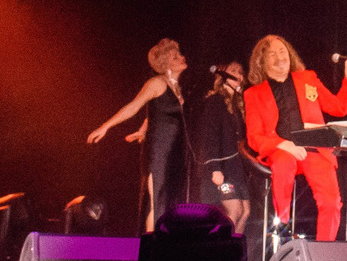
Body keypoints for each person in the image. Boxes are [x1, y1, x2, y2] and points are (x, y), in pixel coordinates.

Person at [242, 34, 347, 243]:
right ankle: (283, 231)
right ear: (262, 61)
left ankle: (324, 250)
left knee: (332, 202)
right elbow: (254, 137)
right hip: (282, 150)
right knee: (283, 166)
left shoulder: (307, 79)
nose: (280, 56)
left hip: (313, 149)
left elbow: (338, 108)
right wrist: (283, 144)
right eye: (272, 53)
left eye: (282, 51)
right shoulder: (254, 94)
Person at [84, 39, 189, 231]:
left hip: (174, 150)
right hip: (160, 151)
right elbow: (134, 106)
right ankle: (151, 247)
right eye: (175, 57)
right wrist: (105, 126)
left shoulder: (176, 88)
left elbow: (157, 112)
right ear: (165, 64)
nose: (182, 58)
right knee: (157, 198)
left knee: (168, 200)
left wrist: (142, 130)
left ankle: (161, 245)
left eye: (180, 54)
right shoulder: (157, 83)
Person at [194, 61, 251, 235]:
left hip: (236, 168)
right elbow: (209, 136)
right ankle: (219, 250)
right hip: (222, 167)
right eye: (233, 72)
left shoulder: (237, 104)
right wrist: (214, 168)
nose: (238, 76)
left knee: (246, 211)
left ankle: (232, 250)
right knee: (234, 210)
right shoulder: (215, 101)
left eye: (240, 72)